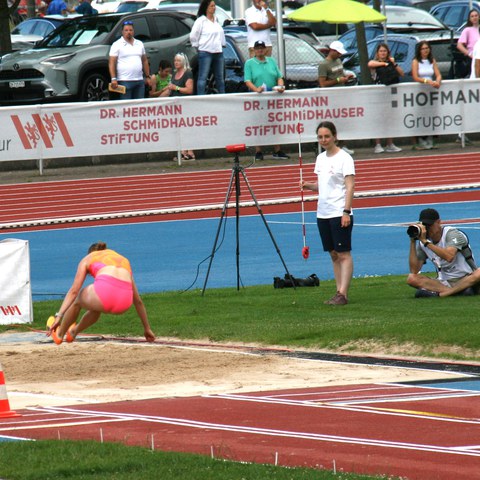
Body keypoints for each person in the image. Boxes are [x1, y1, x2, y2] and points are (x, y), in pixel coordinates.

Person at [47, 242, 155, 345]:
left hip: (104, 294)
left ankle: (60, 334)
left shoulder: (88, 258)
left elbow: (74, 291)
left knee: (78, 300)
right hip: (124, 303)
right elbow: (138, 301)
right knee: (96, 306)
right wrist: (147, 328)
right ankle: (74, 331)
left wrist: (59, 316)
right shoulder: (123, 260)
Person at [301, 121, 355, 306]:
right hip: (322, 213)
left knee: (343, 253)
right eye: (320, 137)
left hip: (339, 211)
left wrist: (346, 211)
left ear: (334, 136)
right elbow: (323, 185)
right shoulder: (320, 158)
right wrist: (310, 186)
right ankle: (338, 291)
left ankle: (343, 293)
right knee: (333, 254)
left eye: (327, 136)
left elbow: (349, 186)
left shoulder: (345, 158)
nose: (323, 140)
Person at [407, 208, 480, 298]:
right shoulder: (424, 242)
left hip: (467, 277)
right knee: (412, 278)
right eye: (425, 226)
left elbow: (449, 256)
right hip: (444, 282)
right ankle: (459, 291)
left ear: (438, 222)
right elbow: (414, 270)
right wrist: (413, 242)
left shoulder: (452, 234)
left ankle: (443, 294)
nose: (428, 228)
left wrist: (426, 242)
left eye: (430, 225)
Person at [244, 40, 289, 161]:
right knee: (258, 124)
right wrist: (256, 89)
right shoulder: (249, 63)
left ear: (265, 49)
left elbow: (279, 77)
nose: (260, 50)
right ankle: (258, 151)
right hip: (257, 98)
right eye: (257, 48)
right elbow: (247, 80)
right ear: (254, 50)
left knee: (274, 123)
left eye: (262, 48)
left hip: (272, 98)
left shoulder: (272, 61)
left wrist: (280, 86)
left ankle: (277, 150)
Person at [318, 41, 355, 156]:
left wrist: (345, 78)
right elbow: (322, 83)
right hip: (331, 97)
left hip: (341, 95)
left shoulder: (338, 61)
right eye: (338, 53)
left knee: (343, 121)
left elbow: (340, 75)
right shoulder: (324, 65)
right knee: (333, 122)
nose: (340, 55)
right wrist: (339, 80)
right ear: (332, 51)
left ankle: (342, 145)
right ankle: (335, 146)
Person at [367, 43, 403, 154]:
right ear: (377, 53)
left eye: (385, 51)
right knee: (379, 119)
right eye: (381, 51)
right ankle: (378, 144)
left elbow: (401, 73)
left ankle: (390, 143)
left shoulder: (390, 63)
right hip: (378, 95)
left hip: (390, 95)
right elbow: (370, 64)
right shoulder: (375, 64)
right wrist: (383, 64)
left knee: (389, 119)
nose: (383, 53)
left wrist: (393, 63)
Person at [190, 0, 226, 95]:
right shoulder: (201, 21)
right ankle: (201, 97)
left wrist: (222, 44)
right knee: (203, 77)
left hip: (218, 51)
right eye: (211, 6)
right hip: (205, 51)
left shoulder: (216, 19)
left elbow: (220, 34)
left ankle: (223, 97)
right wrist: (197, 46)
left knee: (220, 78)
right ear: (206, 7)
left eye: (214, 6)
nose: (214, 8)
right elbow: (193, 35)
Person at [109, 21, 151, 100]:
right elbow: (112, 62)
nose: (129, 32)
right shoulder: (116, 44)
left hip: (139, 80)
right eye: (126, 30)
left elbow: (144, 60)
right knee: (127, 107)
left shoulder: (139, 44)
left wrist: (148, 76)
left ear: (133, 31)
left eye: (130, 30)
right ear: (122, 32)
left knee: (139, 106)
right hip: (124, 80)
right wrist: (113, 78)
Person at [411, 41, 441, 151]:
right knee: (421, 115)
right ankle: (419, 140)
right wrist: (427, 81)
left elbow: (438, 74)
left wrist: (437, 81)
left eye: (427, 48)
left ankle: (431, 138)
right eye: (423, 48)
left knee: (432, 114)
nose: (425, 50)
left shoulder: (432, 60)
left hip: (431, 91)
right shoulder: (415, 61)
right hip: (421, 90)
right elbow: (415, 76)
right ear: (419, 50)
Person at [167, 53, 195, 160]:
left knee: (187, 128)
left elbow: (189, 89)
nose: (176, 62)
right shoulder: (174, 74)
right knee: (180, 129)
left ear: (183, 62)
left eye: (178, 60)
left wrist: (176, 88)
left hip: (186, 104)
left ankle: (190, 152)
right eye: (175, 60)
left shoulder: (188, 73)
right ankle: (183, 152)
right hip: (176, 105)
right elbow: (171, 88)